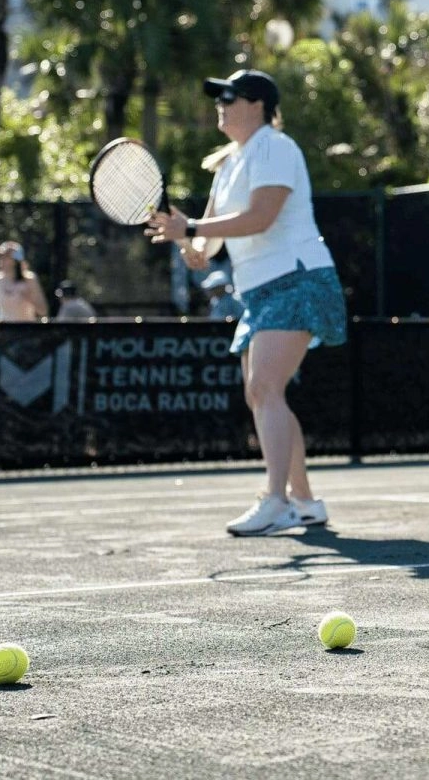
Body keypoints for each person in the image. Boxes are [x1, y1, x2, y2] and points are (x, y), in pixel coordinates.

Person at [145, 69, 345, 537]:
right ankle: (306, 502)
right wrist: (189, 243)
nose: (219, 104)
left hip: (298, 278)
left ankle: (275, 501)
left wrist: (192, 228)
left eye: (228, 97)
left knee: (265, 389)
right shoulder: (227, 164)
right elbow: (208, 244)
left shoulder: (275, 146)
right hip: (258, 291)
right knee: (262, 394)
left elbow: (260, 217)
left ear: (256, 104)